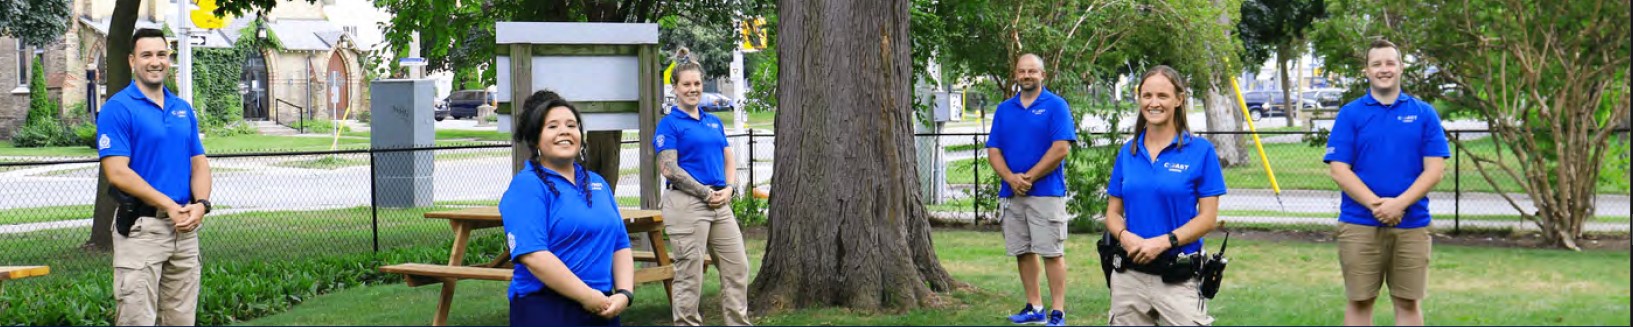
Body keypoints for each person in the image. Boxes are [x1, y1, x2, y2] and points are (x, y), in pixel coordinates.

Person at [1325, 39, 1448, 326]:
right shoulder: (1350, 114)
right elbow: (1339, 170)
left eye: (1390, 63)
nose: (1384, 69)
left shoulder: (1423, 113)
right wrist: (1377, 205)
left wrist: (1399, 204)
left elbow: (1435, 170)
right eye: (1376, 64)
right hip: (1359, 223)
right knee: (1360, 301)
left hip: (1412, 223)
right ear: (1366, 70)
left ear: (1401, 68)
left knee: (1408, 302)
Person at [98, 28, 213, 326]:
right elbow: (117, 172)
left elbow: (198, 163)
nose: (155, 61)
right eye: (146, 54)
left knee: (181, 321)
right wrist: (169, 205)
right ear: (132, 60)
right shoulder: (118, 108)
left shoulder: (182, 109)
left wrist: (201, 204)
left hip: (185, 232)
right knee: (137, 320)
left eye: (161, 54)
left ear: (169, 58)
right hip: (142, 231)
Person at [1102, 65, 1226, 326]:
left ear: (1179, 99)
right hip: (1128, 278)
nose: (1153, 103)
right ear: (1139, 99)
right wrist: (1125, 237)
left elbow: (1208, 218)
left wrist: (1164, 242)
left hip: (1178, 278)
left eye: (1162, 96)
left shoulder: (1200, 151)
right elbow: (1112, 214)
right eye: (1147, 96)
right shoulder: (1128, 153)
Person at [500, 90, 636, 326]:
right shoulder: (527, 186)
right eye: (552, 126)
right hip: (546, 309)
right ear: (536, 139)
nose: (564, 131)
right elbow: (534, 255)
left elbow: (620, 244)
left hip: (602, 306)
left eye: (571, 125)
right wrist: (586, 296)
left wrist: (624, 294)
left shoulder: (598, 183)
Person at [654, 47, 753, 326]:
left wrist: (730, 189)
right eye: (686, 84)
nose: (693, 89)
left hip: (719, 202)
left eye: (697, 83)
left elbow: (727, 157)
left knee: (737, 267)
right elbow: (669, 168)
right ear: (676, 87)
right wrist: (705, 192)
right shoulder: (669, 125)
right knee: (690, 274)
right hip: (686, 204)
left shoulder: (712, 122)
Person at [986, 53, 1075, 327]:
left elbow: (1061, 148)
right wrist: (1011, 179)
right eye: (1022, 71)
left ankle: (1057, 312)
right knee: (1023, 251)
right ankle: (1034, 307)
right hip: (1012, 194)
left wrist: (1029, 177)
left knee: (1051, 251)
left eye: (1032, 71)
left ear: (1042, 76)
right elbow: (993, 150)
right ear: (1016, 75)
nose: (1026, 76)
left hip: (1046, 193)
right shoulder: (1004, 110)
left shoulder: (1056, 106)